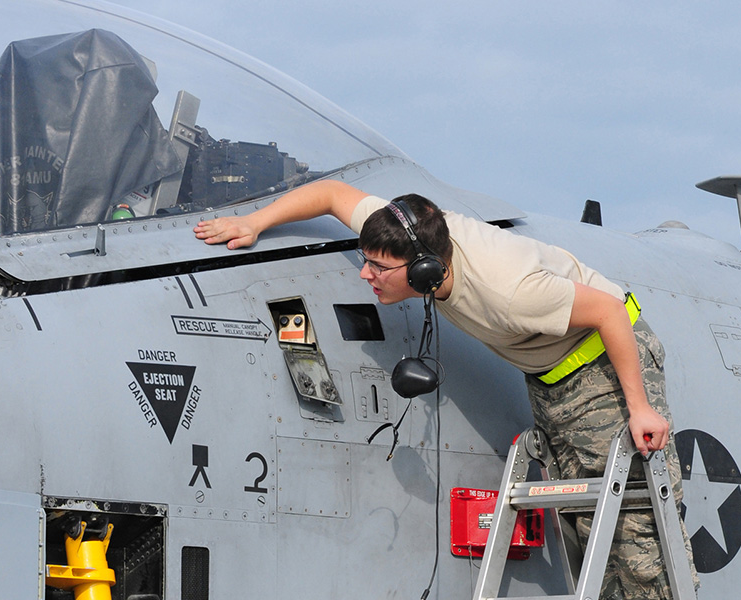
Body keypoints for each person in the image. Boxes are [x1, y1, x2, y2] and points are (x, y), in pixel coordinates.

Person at [194, 179, 697, 598]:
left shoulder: (511, 291)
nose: (365, 274)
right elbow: (330, 194)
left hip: (603, 368)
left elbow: (611, 312)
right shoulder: (406, 231)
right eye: (364, 259)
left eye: (377, 267)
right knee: (589, 534)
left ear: (424, 269)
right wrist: (255, 222)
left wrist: (639, 408)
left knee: (638, 543)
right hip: (551, 380)